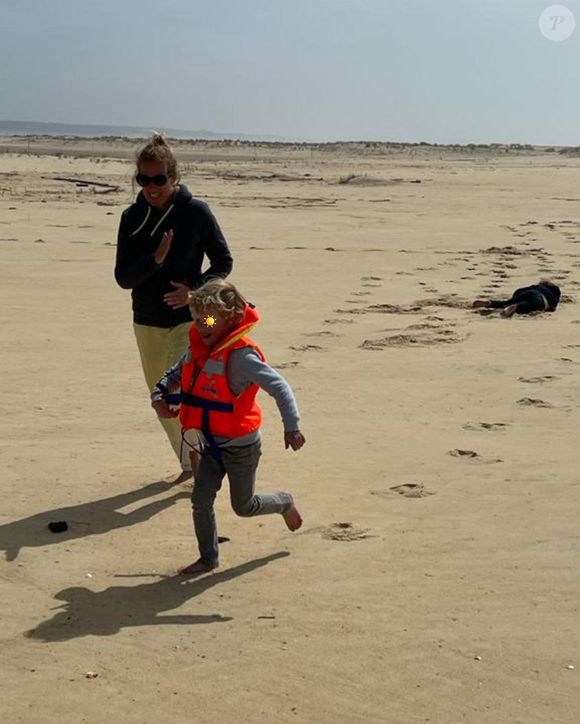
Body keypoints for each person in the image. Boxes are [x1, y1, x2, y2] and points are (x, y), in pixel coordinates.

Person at [150, 278, 305, 574]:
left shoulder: (241, 357)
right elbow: (176, 372)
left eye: (208, 318)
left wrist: (292, 426)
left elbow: (280, 387)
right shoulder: (199, 347)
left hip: (242, 448)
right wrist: (159, 393)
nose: (202, 325)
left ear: (231, 319)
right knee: (200, 500)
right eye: (196, 319)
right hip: (209, 444)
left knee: (243, 506)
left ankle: (283, 502)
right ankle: (209, 558)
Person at [115, 134, 233, 480]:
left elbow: (223, 261)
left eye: (159, 179)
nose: (152, 187)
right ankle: (188, 460)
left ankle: (206, 457)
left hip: (198, 317)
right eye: (144, 179)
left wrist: (194, 291)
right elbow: (123, 277)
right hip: (147, 322)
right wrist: (155, 259)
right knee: (161, 398)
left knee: (188, 389)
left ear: (174, 176)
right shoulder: (131, 218)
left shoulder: (196, 213)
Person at [472, 280, 561, 318]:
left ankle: (489, 303)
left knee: (506, 303)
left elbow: (519, 292)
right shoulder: (553, 296)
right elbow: (552, 309)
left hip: (523, 292)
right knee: (529, 305)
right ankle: (515, 307)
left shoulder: (537, 287)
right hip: (539, 298)